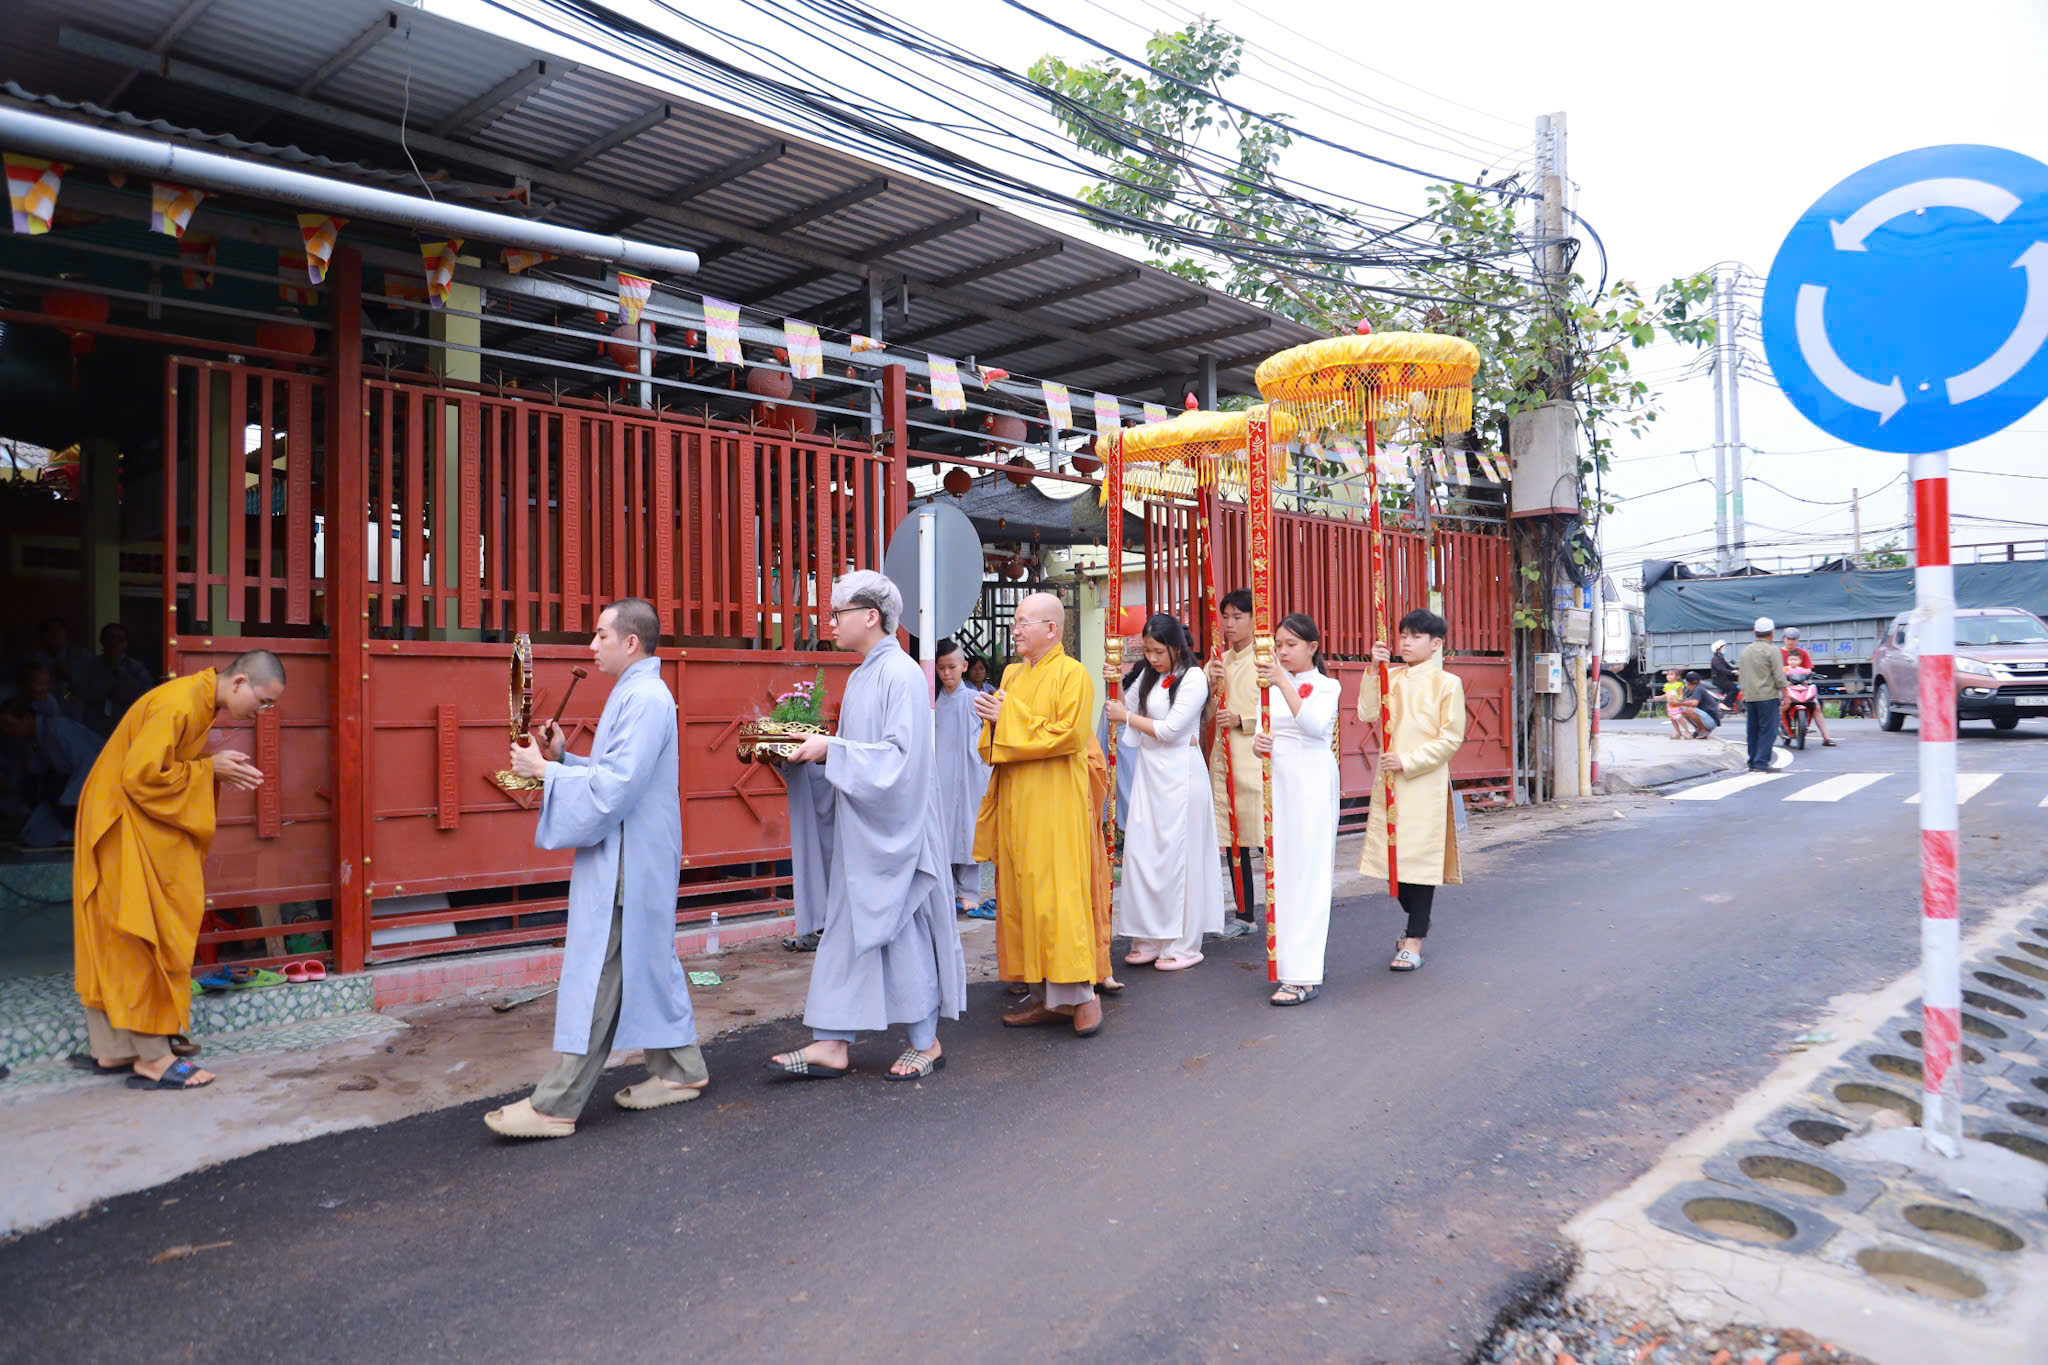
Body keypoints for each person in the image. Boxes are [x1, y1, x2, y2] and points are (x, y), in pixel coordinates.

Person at [486, 598, 706, 1138]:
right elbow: (614, 774)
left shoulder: (646, 697)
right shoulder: (636, 692)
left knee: (601, 973)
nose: (592, 646)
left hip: (631, 855)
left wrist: (545, 771)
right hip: (634, 849)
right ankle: (681, 1070)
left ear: (631, 642)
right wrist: (564, 759)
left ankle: (556, 1104)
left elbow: (617, 786)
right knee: (644, 961)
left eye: (601, 635)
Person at [765, 574, 968, 1081]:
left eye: (837, 613)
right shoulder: (861, 677)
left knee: (901, 932)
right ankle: (832, 1041)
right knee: (846, 935)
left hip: (898, 835)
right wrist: (810, 759)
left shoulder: (901, 674)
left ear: (871, 616)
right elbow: (859, 758)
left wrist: (830, 750)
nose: (830, 623)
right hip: (865, 832)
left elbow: (899, 760)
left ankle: (927, 1041)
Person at [71, 651, 282, 1090]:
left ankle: (114, 1048)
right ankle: (152, 1058)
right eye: (263, 701)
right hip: (119, 822)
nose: (263, 712)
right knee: (140, 933)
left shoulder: (200, 701)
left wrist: (209, 770)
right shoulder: (181, 702)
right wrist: (208, 770)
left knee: (120, 934)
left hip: (124, 818)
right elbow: (140, 777)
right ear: (239, 682)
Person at [973, 591, 1106, 1037]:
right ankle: (1044, 996)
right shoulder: (1012, 673)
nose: (1015, 630)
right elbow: (998, 740)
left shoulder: (1074, 675)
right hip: (1017, 800)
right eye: (1015, 621)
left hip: (1055, 803)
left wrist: (1006, 713)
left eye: (1023, 622)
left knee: (1058, 898)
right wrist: (993, 719)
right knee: (1021, 896)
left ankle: (1082, 997)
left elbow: (1068, 736)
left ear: (1051, 629)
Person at [1108, 614, 1223, 972]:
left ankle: (1182, 943)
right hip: (1150, 774)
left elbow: (1171, 729)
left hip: (1181, 774)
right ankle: (1148, 936)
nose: (1153, 658)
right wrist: (1114, 681)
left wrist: (1126, 717)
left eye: (1159, 651)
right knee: (1144, 853)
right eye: (1148, 651)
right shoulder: (1148, 675)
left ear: (1176, 647)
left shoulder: (1193, 678)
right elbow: (1124, 705)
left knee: (1179, 858)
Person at [1358, 609, 1467, 973]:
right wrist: (1373, 669)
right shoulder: (1390, 676)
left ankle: (1414, 939)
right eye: (1403, 635)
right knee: (1394, 862)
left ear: (1435, 644)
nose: (1405, 642)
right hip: (1390, 781)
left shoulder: (1448, 683)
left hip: (1424, 782)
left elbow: (1450, 738)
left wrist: (1408, 761)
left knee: (1420, 861)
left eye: (1415, 636)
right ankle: (1418, 921)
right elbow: (1367, 713)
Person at [1253, 614, 1341, 1005]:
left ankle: (1304, 974)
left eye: (1291, 644)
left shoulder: (1327, 686)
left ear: (1312, 647)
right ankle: (1291, 962)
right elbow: (1263, 731)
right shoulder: (1269, 687)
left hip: (1312, 783)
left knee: (1309, 872)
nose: (1282, 651)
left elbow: (1314, 726)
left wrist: (1282, 681)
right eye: (1278, 644)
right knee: (1283, 873)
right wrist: (1258, 744)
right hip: (1281, 784)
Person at [1205, 589, 1262, 939]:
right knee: (1234, 839)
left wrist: (1243, 719)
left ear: (1254, 619)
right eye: (1225, 617)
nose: (1229, 624)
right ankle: (1245, 913)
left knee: (1266, 838)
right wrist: (1210, 686)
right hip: (1225, 760)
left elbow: (1280, 712)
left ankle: (1287, 906)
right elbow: (1204, 714)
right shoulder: (1218, 662)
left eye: (1238, 617)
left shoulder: (1267, 658)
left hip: (1256, 760)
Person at [931, 638, 992, 917]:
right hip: (940, 775)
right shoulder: (932, 702)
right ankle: (946, 890)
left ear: (964, 666)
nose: (947, 673)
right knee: (943, 831)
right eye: (941, 668)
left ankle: (969, 892)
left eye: (952, 667)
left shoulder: (976, 700)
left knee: (967, 832)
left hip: (969, 775)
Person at [1094, 632, 1143, 849]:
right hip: (1124, 745)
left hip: (1136, 745)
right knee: (1122, 791)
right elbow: (1124, 708)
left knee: (1130, 792)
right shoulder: (1135, 683)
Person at [73, 623, 158, 736]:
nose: (114, 642)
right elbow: (78, 693)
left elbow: (148, 695)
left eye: (120, 639)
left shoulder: (136, 668)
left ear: (125, 644)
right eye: (110, 637)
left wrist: (122, 677)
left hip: (127, 726)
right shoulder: (90, 666)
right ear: (102, 641)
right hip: (94, 729)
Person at [1739, 616, 1789, 773]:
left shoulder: (1746, 651)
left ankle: (1752, 761)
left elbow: (1742, 675)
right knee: (1768, 730)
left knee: (1752, 730)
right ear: (1772, 633)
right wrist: (1786, 693)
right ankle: (1761, 762)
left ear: (1755, 632)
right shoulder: (1772, 650)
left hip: (1750, 696)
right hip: (1767, 695)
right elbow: (1779, 675)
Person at [1780, 627, 1838, 747]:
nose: (1791, 641)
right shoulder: (1777, 653)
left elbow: (1808, 671)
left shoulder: (1803, 653)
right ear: (1784, 639)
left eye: (1793, 639)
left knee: (1816, 707)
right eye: (1788, 639)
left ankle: (1826, 738)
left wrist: (1807, 677)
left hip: (1801, 687)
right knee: (1776, 706)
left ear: (1798, 640)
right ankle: (1774, 731)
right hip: (1783, 687)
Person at [1668, 670, 1722, 739]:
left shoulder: (1698, 689)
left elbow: (1694, 703)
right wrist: (1680, 702)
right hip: (1709, 720)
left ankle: (1703, 730)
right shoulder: (1698, 688)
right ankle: (1698, 729)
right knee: (1683, 709)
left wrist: (1678, 703)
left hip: (1711, 721)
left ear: (1687, 683)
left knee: (1689, 710)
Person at [1709, 640, 1740, 706]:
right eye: (1723, 648)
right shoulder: (1715, 659)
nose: (1725, 649)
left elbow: (1728, 667)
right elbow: (1721, 669)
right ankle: (1725, 705)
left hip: (1723, 679)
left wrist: (1738, 670)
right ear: (1718, 649)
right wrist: (1732, 672)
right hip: (1719, 680)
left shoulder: (1720, 657)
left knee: (1736, 687)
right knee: (1734, 689)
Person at [1660, 668, 1687, 738]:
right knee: (1672, 719)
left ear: (1677, 677)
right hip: (1670, 705)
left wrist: (1679, 700)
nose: (1668, 676)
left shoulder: (1679, 684)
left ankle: (1687, 732)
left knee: (1679, 718)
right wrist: (1659, 697)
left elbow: (1681, 694)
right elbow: (1666, 694)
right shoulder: (1667, 685)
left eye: (1671, 674)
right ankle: (1678, 733)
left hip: (1676, 704)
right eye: (1668, 674)